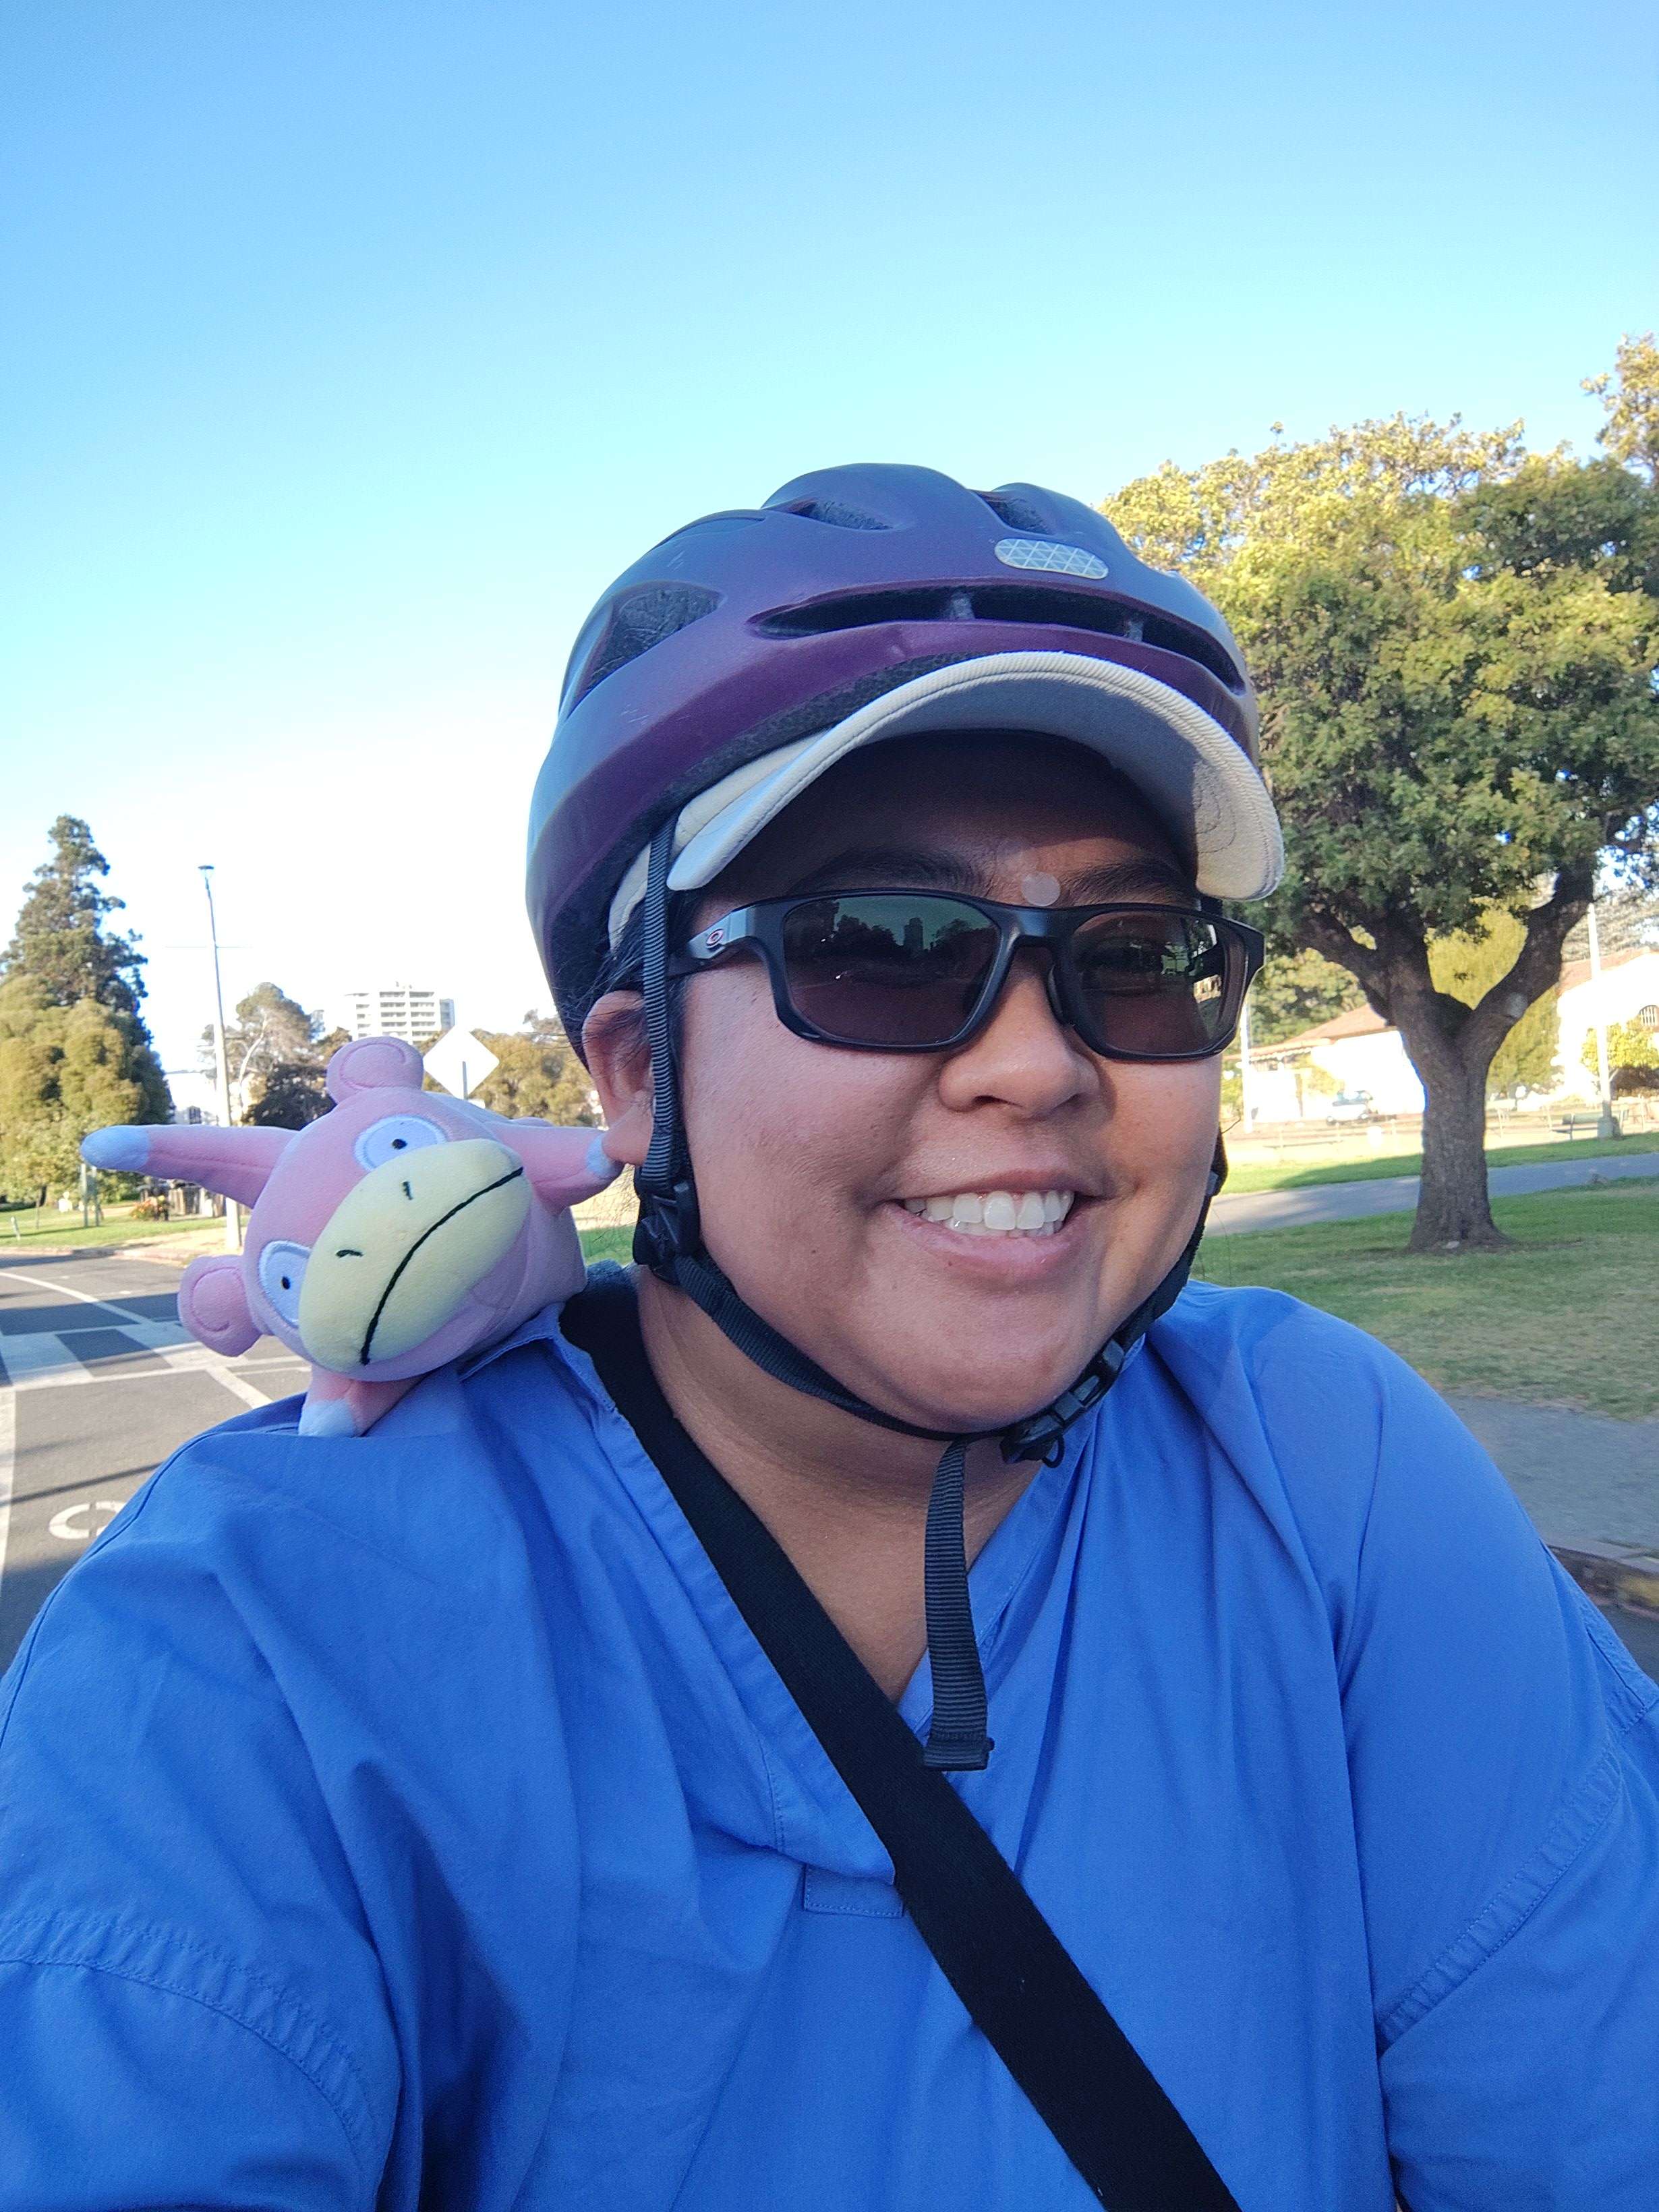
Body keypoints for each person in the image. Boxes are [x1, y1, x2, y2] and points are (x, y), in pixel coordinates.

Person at [1, 465, 1655, 2210]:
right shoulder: (255, 1640)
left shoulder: (1315, 1468)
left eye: (1139, 953)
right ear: (635, 1075)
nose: (1041, 1062)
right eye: (881, 945)